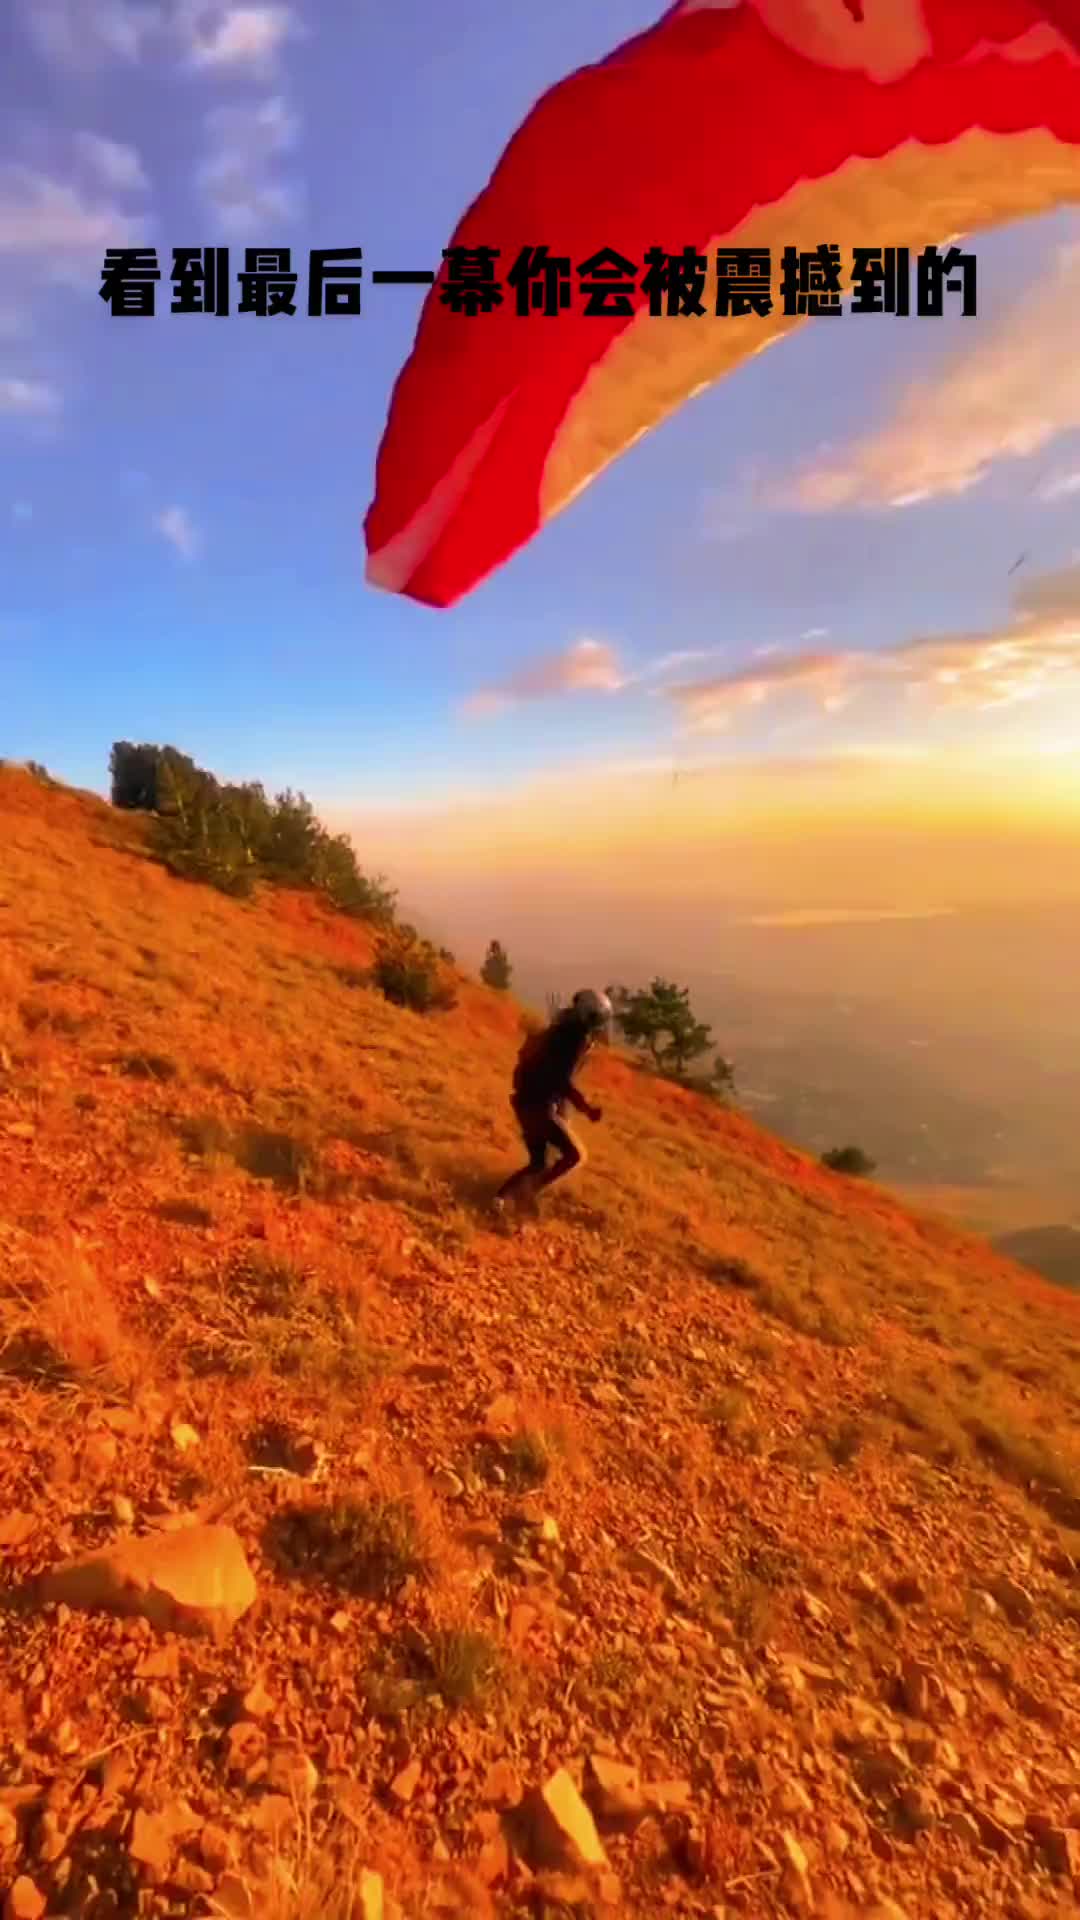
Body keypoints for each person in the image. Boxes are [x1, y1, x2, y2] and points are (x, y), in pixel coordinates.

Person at [493, 988, 612, 1217]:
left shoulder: (560, 1029)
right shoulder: (576, 1038)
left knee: (539, 1163)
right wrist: (586, 1107)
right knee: (574, 1155)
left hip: (525, 1101)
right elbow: (562, 1080)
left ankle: (501, 1197)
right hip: (540, 1106)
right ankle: (527, 1194)